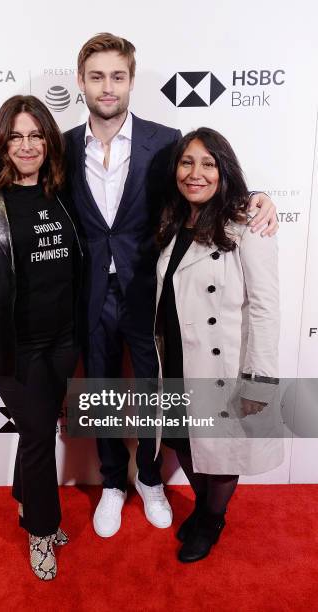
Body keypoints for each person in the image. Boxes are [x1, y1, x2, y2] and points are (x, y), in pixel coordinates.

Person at [65, 32, 279, 538]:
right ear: (81, 82)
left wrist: (261, 197)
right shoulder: (63, 146)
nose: (108, 86)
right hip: (90, 293)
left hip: (152, 292)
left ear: (132, 80)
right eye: (97, 76)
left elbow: (203, 189)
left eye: (118, 76)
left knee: (153, 394)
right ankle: (113, 483)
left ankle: (150, 480)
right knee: (100, 392)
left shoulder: (166, 141)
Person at [0, 95, 82, 580]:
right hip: (13, 347)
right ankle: (43, 532)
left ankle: (27, 502)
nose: (27, 145)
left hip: (65, 339)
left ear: (49, 140)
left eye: (36, 135)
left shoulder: (67, 191)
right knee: (35, 436)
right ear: (2, 142)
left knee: (40, 428)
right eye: (16, 136)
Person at [155, 127, 282, 563]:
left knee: (222, 448)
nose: (196, 173)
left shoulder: (247, 222)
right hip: (175, 354)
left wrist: (259, 381)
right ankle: (206, 507)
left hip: (220, 364)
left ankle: (211, 519)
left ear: (224, 171)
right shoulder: (172, 221)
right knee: (184, 442)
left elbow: (266, 308)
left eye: (208, 163)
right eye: (187, 162)